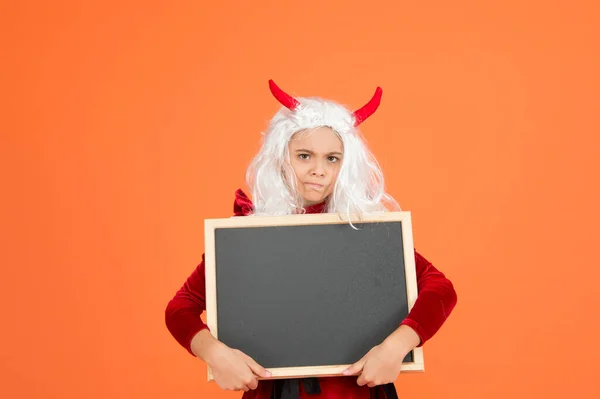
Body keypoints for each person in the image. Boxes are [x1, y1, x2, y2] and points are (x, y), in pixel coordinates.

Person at [165, 80, 458, 399]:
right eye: (304, 155)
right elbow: (181, 307)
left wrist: (397, 345)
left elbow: (441, 288)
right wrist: (214, 353)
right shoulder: (247, 237)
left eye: (332, 158)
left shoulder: (365, 231)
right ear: (281, 156)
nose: (318, 170)